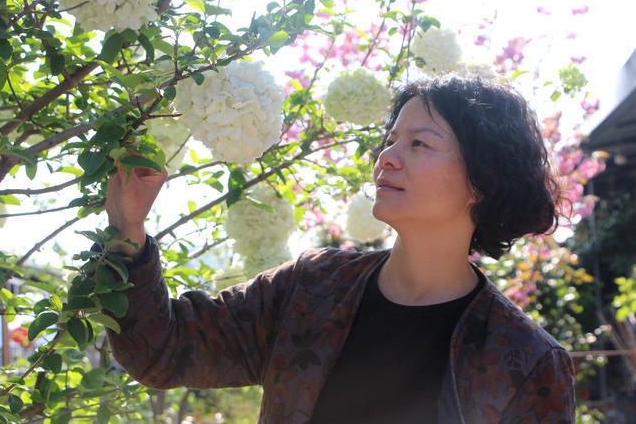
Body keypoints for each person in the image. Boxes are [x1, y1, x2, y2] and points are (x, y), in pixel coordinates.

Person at [101, 75, 576, 423]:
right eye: (390, 140)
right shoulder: (312, 288)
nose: (386, 157)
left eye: (419, 144)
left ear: (482, 180)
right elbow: (163, 350)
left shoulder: (525, 359)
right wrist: (128, 230)